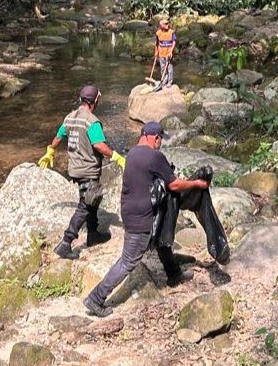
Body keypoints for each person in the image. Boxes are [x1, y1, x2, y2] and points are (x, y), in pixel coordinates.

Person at [82, 121, 209, 317]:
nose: (160, 143)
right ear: (155, 137)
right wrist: (196, 183)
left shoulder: (132, 153)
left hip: (131, 209)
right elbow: (174, 184)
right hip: (141, 216)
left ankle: (174, 275)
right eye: (160, 139)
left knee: (161, 239)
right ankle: (96, 298)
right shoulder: (154, 156)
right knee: (128, 261)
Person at [38, 85, 126, 260]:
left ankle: (93, 234)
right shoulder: (92, 122)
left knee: (91, 200)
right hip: (88, 170)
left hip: (75, 169)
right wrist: (116, 156)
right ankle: (66, 241)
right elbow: (98, 145)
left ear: (81, 100)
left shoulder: (70, 118)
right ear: (95, 101)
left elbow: (58, 137)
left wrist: (50, 150)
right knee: (85, 206)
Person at [154, 18, 177, 89]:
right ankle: (164, 80)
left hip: (168, 53)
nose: (168, 25)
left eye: (168, 23)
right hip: (161, 53)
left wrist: (171, 51)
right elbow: (156, 43)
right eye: (166, 24)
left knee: (169, 68)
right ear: (162, 26)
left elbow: (174, 41)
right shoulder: (158, 33)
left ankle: (169, 82)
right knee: (163, 68)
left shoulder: (171, 32)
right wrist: (156, 51)